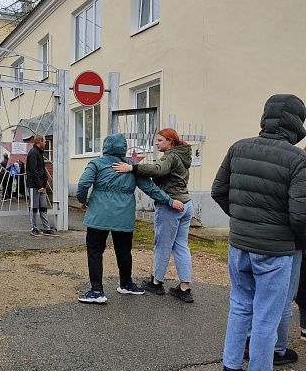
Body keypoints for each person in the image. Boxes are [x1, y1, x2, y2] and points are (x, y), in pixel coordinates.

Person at [211, 94, 306, 371]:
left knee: (239, 306)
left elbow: (218, 191)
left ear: (265, 117)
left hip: (239, 244)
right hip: (275, 250)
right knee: (266, 316)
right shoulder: (297, 159)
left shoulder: (238, 148)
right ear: (296, 123)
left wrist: (242, 220)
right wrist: (295, 242)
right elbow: (300, 215)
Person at [76, 133, 184, 303]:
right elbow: (151, 188)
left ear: (105, 146)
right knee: (124, 251)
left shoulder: (96, 164)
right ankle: (126, 284)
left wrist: (83, 201)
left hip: (98, 215)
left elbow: (83, 184)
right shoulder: (131, 167)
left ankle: (97, 291)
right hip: (123, 216)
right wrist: (170, 201)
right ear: (123, 148)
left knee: (95, 252)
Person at [113, 128, 194, 303]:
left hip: (172, 206)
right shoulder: (182, 155)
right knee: (181, 245)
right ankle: (184, 287)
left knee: (162, 245)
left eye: (159, 140)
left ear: (170, 142)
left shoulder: (171, 156)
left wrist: (132, 167)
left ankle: (156, 282)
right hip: (187, 204)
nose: (156, 143)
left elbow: (158, 169)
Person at [26, 134, 57, 237]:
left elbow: (41, 170)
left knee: (43, 207)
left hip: (41, 186)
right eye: (44, 141)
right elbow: (33, 171)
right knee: (33, 208)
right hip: (35, 186)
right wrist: (39, 186)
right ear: (39, 141)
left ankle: (46, 228)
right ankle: (33, 228)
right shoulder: (33, 153)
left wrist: (43, 184)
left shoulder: (39, 153)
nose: (45, 142)